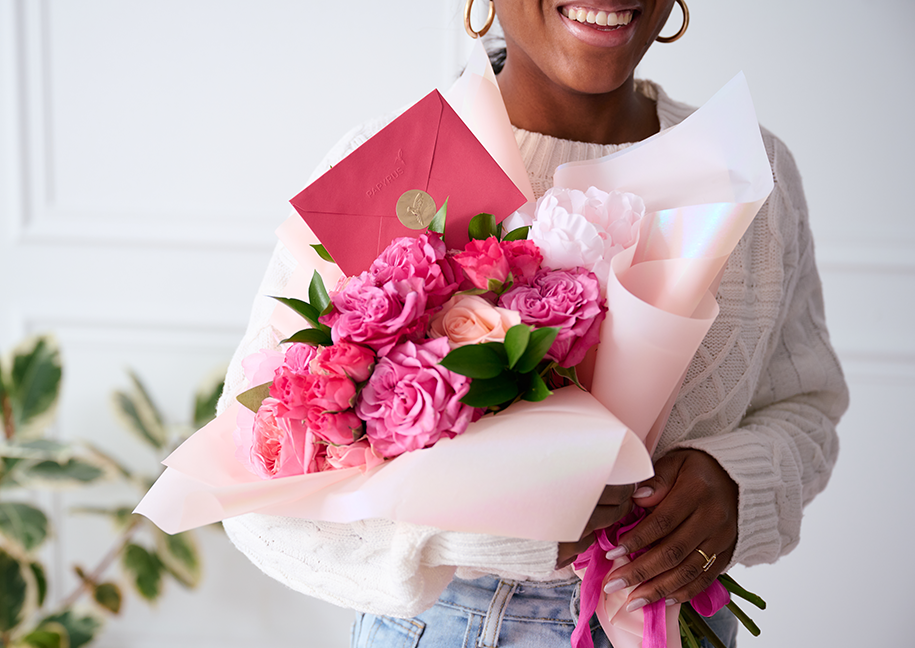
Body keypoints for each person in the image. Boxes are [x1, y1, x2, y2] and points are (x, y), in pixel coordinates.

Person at [217, 1, 848, 646]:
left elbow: (805, 406)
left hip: (668, 618)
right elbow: (257, 488)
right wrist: (467, 530)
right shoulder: (389, 165)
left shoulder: (747, 169)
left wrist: (736, 484)